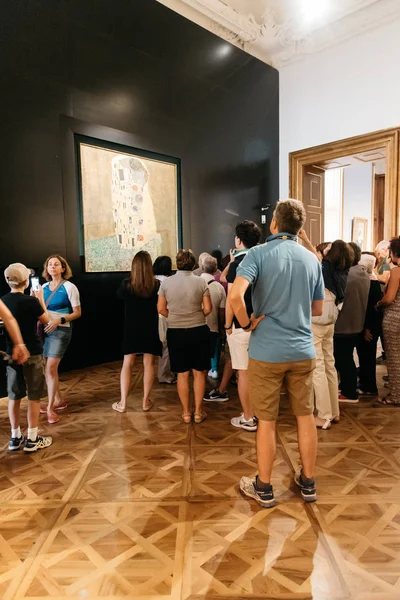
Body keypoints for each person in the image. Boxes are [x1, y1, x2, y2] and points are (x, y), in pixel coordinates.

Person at [229, 199, 324, 507]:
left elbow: (234, 296)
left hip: (267, 351)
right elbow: (318, 308)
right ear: (299, 228)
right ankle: (308, 482)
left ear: (273, 225)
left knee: (267, 421)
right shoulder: (311, 260)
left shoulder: (257, 254)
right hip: (302, 349)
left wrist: (246, 323)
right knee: (305, 417)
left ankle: (265, 487)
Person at [2, 263, 52, 452]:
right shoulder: (31, 302)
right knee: (34, 395)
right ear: (26, 280)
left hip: (10, 353)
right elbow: (46, 321)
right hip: (33, 352)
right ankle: (32, 438)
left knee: (14, 396)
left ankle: (15, 437)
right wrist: (40, 300)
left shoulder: (2, 300)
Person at [158, 249, 212, 423]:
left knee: (181, 374)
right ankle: (198, 412)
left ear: (177, 263)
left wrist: (174, 316)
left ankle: (186, 413)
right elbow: (208, 309)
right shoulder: (201, 282)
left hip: (175, 330)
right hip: (198, 330)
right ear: (194, 264)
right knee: (199, 373)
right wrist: (196, 315)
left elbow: (160, 308)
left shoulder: (166, 283)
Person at [113, 251, 162, 413]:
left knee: (127, 364)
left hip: (131, 328)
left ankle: (123, 402)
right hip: (150, 327)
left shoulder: (126, 285)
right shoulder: (156, 285)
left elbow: (119, 297)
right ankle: (145, 401)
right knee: (149, 364)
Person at [311, 239, 352, 428]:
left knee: (318, 368)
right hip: (330, 324)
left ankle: (324, 415)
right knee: (329, 366)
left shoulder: (325, 270)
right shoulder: (342, 272)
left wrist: (324, 252)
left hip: (316, 324)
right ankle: (334, 412)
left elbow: (318, 263)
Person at [225, 220, 261, 432]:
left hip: (241, 325)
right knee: (257, 372)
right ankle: (255, 412)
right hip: (261, 324)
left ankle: (248, 417)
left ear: (238, 240)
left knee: (244, 373)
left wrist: (228, 325)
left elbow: (232, 299)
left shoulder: (237, 265)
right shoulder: (262, 261)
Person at [39, 255, 81, 424]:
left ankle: (50, 408)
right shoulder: (42, 287)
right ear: (46, 268)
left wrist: (59, 320)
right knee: (48, 368)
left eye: (57, 264)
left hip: (61, 330)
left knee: (50, 368)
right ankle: (58, 400)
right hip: (44, 330)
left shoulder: (70, 287)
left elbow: (77, 312)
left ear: (63, 268)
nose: (53, 267)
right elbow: (40, 309)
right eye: (50, 264)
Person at [334, 243, 370, 404]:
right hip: (356, 323)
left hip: (344, 324)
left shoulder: (347, 276)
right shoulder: (363, 273)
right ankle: (348, 387)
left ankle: (349, 392)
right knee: (346, 358)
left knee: (343, 359)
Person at [376, 237, 400, 405]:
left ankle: (396, 395)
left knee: (394, 358)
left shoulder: (397, 271)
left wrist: (379, 303)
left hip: (395, 319)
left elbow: (390, 298)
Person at [356, 253, 383, 396]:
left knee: (367, 356)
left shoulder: (371, 284)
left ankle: (369, 386)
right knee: (366, 356)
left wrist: (367, 329)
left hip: (370, 327)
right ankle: (366, 383)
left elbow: (370, 309)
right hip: (370, 325)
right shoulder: (373, 282)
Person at [200, 255, 226, 379]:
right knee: (214, 348)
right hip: (213, 325)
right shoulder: (219, 287)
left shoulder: (196, 283)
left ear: (201, 267)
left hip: (197, 324)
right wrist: (222, 327)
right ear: (215, 269)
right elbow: (222, 311)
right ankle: (214, 369)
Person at [153, 255, 176, 385]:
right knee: (166, 346)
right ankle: (164, 375)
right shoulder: (168, 281)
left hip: (154, 317)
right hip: (165, 316)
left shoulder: (152, 281)